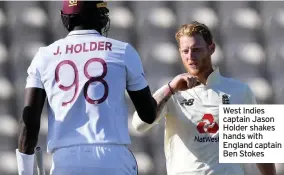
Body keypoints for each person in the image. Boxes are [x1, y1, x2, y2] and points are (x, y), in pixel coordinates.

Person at [15, 1, 158, 175]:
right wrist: (169, 89)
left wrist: (24, 171)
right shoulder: (123, 51)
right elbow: (148, 114)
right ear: (98, 16)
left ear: (65, 19)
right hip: (112, 157)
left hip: (65, 160)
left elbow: (29, 121)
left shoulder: (44, 56)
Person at [132, 21, 276, 175]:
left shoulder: (239, 91)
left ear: (211, 48)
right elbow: (139, 125)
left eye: (196, 50)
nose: (190, 57)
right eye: (185, 51)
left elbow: (259, 148)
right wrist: (171, 88)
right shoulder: (171, 91)